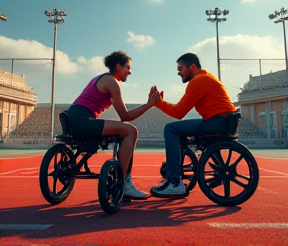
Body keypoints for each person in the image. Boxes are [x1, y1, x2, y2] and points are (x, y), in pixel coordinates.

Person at [68, 51, 158, 199]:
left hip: (73, 118)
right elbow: (125, 116)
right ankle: (124, 181)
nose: (130, 72)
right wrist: (149, 105)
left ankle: (122, 178)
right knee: (131, 130)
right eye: (127, 67)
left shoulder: (100, 78)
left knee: (125, 130)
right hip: (83, 120)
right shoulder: (112, 82)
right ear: (118, 67)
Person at [150, 53, 236, 197]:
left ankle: (174, 181)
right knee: (181, 130)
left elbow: (179, 112)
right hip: (223, 121)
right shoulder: (207, 77)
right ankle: (175, 174)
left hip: (217, 122)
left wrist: (158, 103)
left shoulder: (198, 81)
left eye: (180, 68)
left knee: (170, 129)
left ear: (193, 67)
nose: (178, 72)